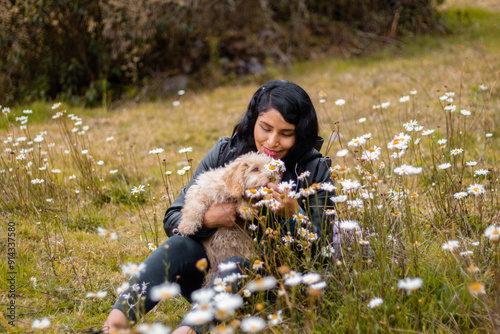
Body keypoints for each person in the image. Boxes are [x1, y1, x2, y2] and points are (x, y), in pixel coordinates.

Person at [103, 79, 334, 333]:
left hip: (269, 289)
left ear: (300, 134)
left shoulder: (314, 169)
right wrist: (209, 219)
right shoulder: (226, 152)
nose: (272, 141)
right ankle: (113, 325)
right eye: (265, 128)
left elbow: (321, 251)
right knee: (178, 245)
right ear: (253, 120)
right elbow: (172, 218)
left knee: (236, 263)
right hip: (208, 279)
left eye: (286, 134)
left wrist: (293, 215)